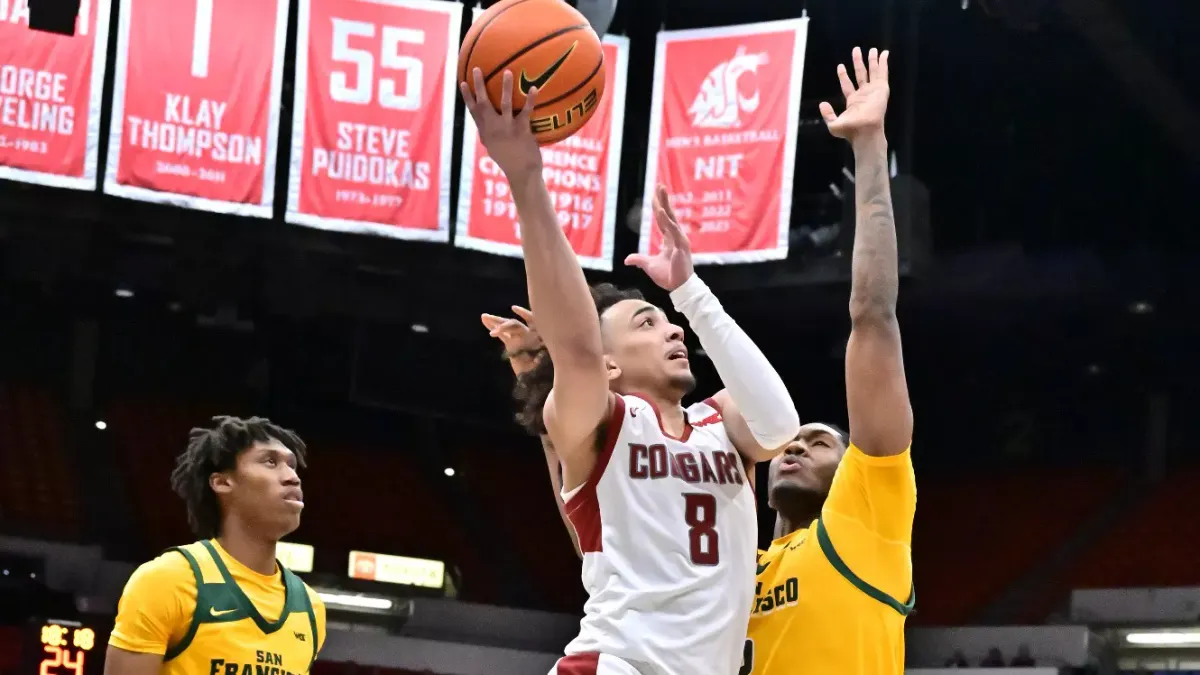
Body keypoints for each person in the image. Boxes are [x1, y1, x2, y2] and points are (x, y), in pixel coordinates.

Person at [462, 69, 800, 675]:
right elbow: (576, 349)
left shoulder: (719, 420)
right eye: (647, 322)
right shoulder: (604, 421)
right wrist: (526, 176)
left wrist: (691, 293)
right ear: (610, 362)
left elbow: (779, 427)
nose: (672, 330)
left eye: (667, 321)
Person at [746, 48, 916, 674]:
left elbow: (872, 316)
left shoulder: (864, 518)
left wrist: (869, 148)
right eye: (790, 442)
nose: (792, 448)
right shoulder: (735, 566)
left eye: (816, 443)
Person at [105, 416, 325, 675]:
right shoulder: (168, 580)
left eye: (292, 465)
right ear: (222, 482)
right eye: (270, 462)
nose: (292, 477)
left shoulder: (310, 608)